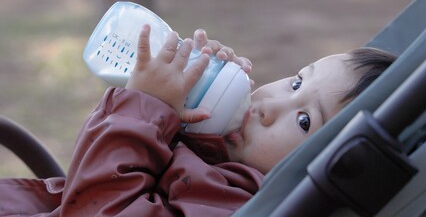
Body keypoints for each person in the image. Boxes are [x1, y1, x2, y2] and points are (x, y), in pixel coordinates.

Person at [0, 25, 396, 216]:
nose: (270, 105)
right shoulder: (229, 173)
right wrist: (194, 118)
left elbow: (101, 207)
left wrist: (142, 107)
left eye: (306, 121)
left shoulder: (239, 204)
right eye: (296, 82)